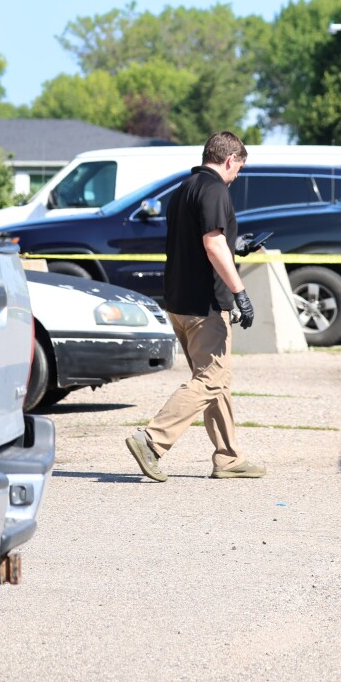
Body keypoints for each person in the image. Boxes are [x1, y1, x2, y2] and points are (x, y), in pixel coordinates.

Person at [125, 131, 265, 481]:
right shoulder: (216, 189)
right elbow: (212, 244)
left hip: (179, 302)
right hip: (205, 305)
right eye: (238, 169)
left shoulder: (184, 189)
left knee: (216, 380)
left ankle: (228, 457)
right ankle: (151, 440)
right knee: (210, 379)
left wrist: (237, 245)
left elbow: (207, 241)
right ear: (230, 159)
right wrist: (240, 292)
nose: (236, 177)